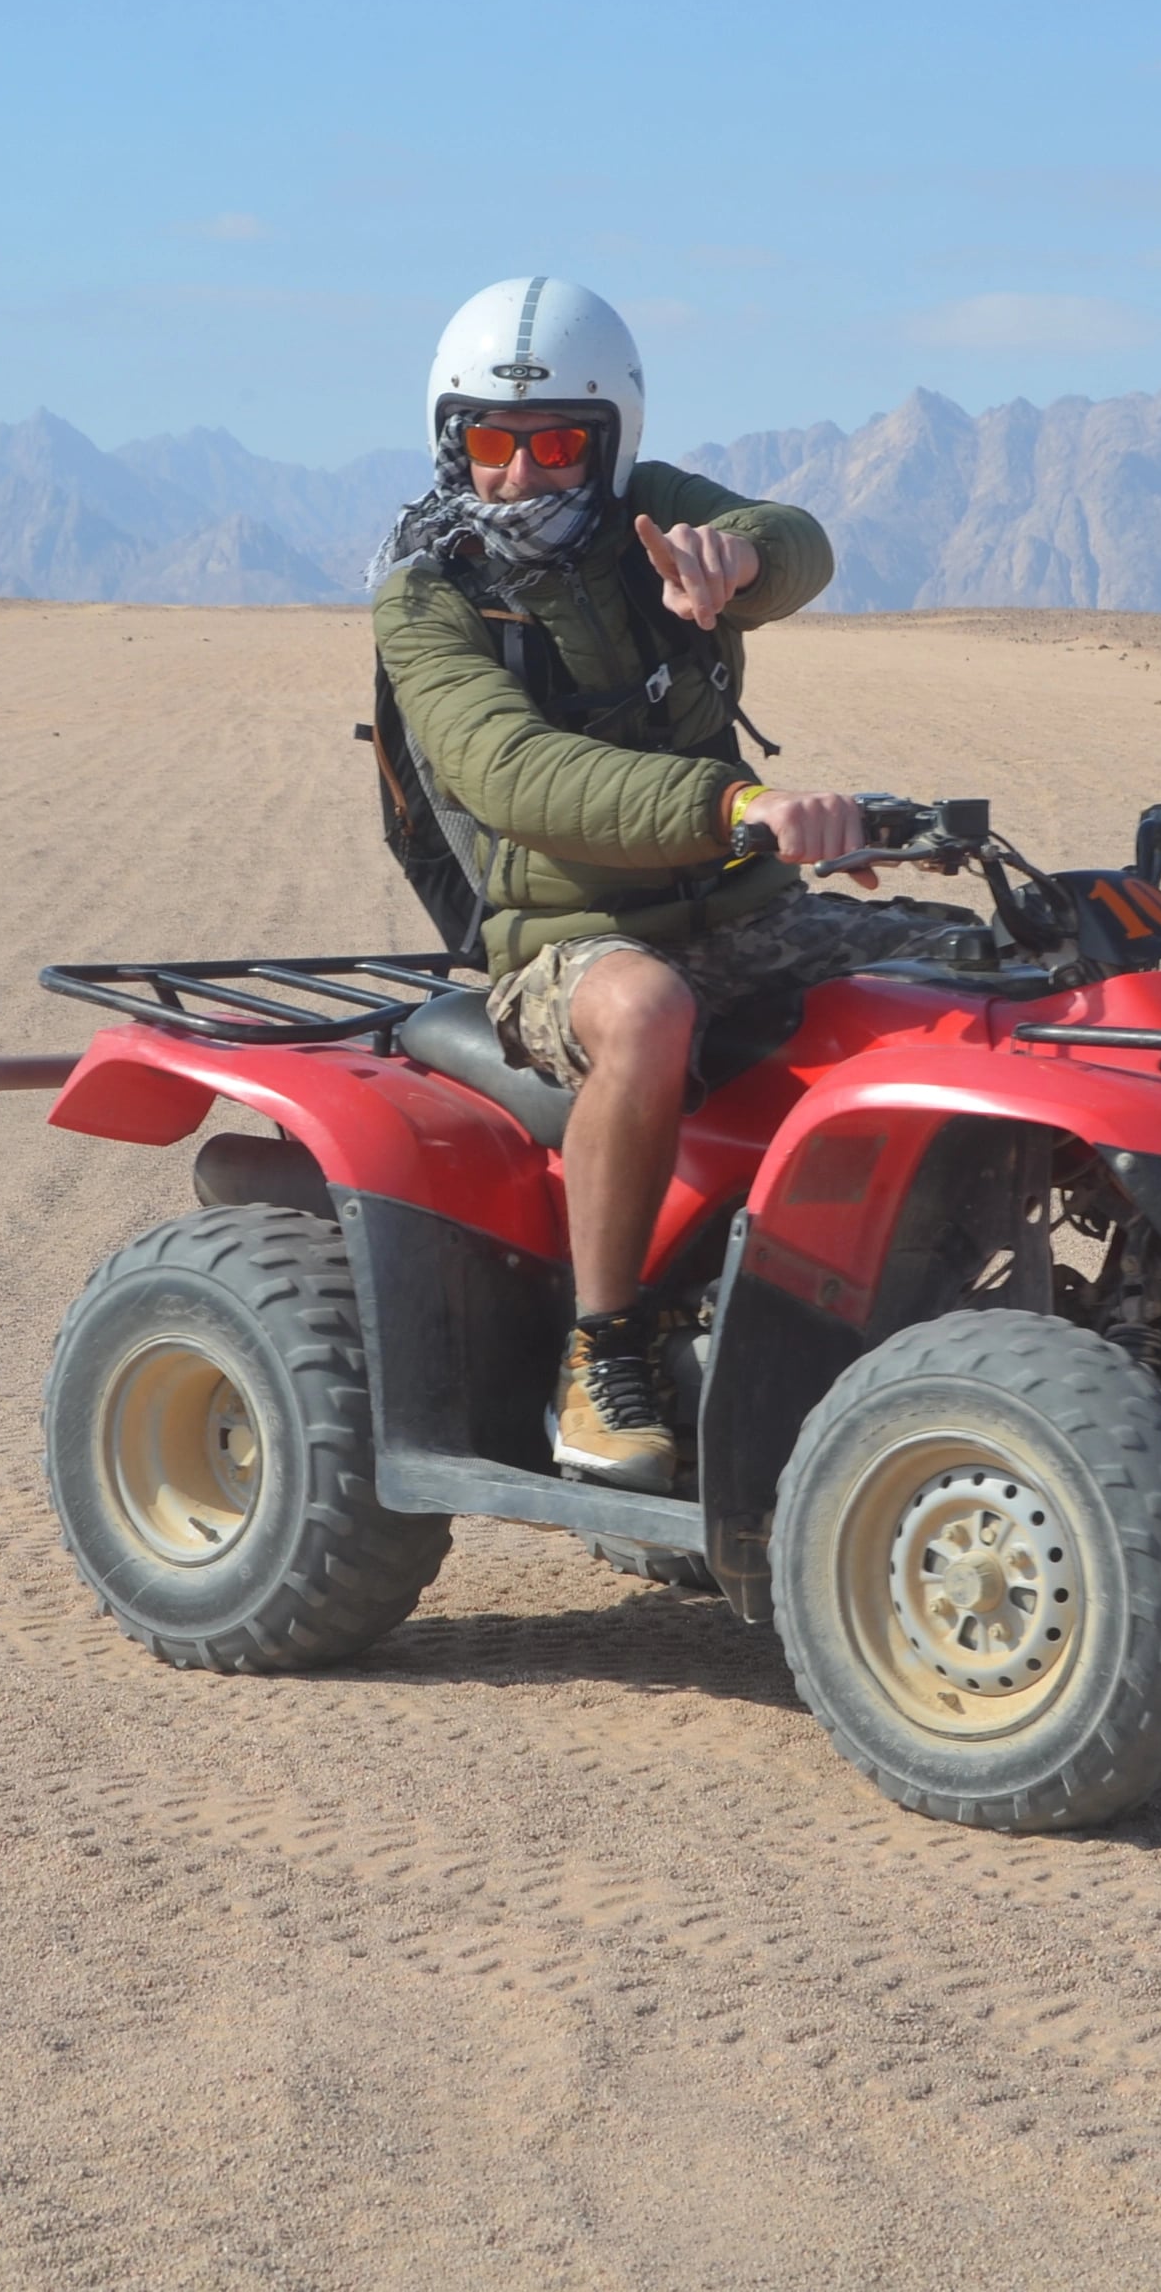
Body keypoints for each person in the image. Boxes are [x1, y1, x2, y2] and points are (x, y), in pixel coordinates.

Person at [371, 277, 980, 1493]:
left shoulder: (644, 513)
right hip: (565, 943)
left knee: (977, 965)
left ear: (608, 442)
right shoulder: (425, 595)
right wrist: (738, 810)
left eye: (555, 444)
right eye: (491, 444)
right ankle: (602, 1356)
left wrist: (738, 558)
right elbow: (513, 771)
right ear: (453, 442)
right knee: (646, 1014)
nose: (522, 475)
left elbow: (802, 541)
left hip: (743, 911)